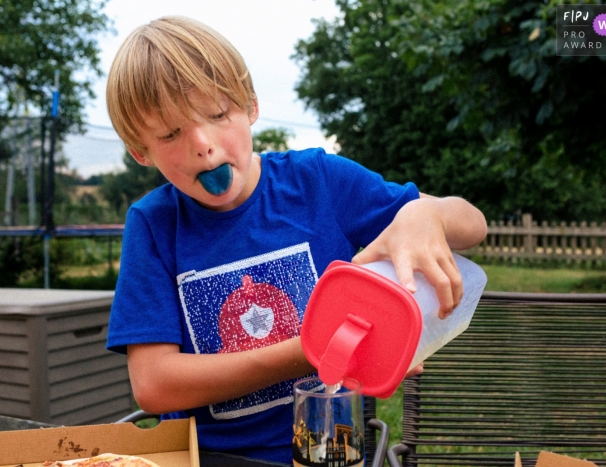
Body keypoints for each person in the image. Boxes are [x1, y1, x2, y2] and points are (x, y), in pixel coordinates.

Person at [105, 16, 487, 464]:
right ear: (140, 151)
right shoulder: (153, 223)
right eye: (170, 134)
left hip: (331, 452)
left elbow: (473, 225)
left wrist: (428, 213)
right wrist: (314, 348)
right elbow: (154, 385)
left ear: (250, 106)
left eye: (217, 114)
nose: (203, 145)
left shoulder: (318, 181)